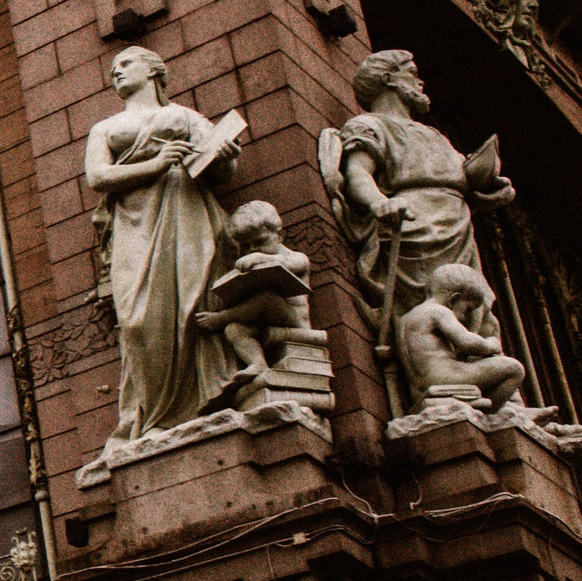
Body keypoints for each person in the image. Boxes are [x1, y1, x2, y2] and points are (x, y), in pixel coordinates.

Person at [84, 45, 244, 448]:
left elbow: (222, 170)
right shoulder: (105, 128)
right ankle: (154, 415)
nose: (116, 73)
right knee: (138, 320)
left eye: (125, 64)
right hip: (134, 224)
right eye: (112, 69)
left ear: (154, 70)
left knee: (192, 299)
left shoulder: (185, 116)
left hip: (185, 213)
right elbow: (98, 177)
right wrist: (157, 164)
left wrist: (224, 155)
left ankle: (195, 408)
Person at [325, 49, 513, 337]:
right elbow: (357, 173)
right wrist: (379, 202)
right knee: (430, 315)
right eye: (411, 73)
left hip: (458, 230)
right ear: (389, 79)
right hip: (414, 227)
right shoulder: (370, 125)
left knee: (476, 314)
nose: (420, 82)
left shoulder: (434, 134)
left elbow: (459, 180)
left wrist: (488, 191)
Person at [192, 201, 311, 382]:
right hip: (264, 322)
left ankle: (222, 317)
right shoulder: (255, 258)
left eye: (260, 241)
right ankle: (257, 363)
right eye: (246, 246)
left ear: (279, 235)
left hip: (295, 320)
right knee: (234, 330)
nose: (253, 249)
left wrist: (260, 258)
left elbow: (286, 264)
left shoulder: (296, 258)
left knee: (265, 299)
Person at [397, 263, 523, 409]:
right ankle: (489, 412)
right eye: (467, 309)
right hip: (446, 376)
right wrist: (490, 344)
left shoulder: (406, 318)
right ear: (453, 299)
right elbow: (468, 343)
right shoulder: (439, 311)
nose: (464, 318)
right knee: (514, 369)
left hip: (418, 385)